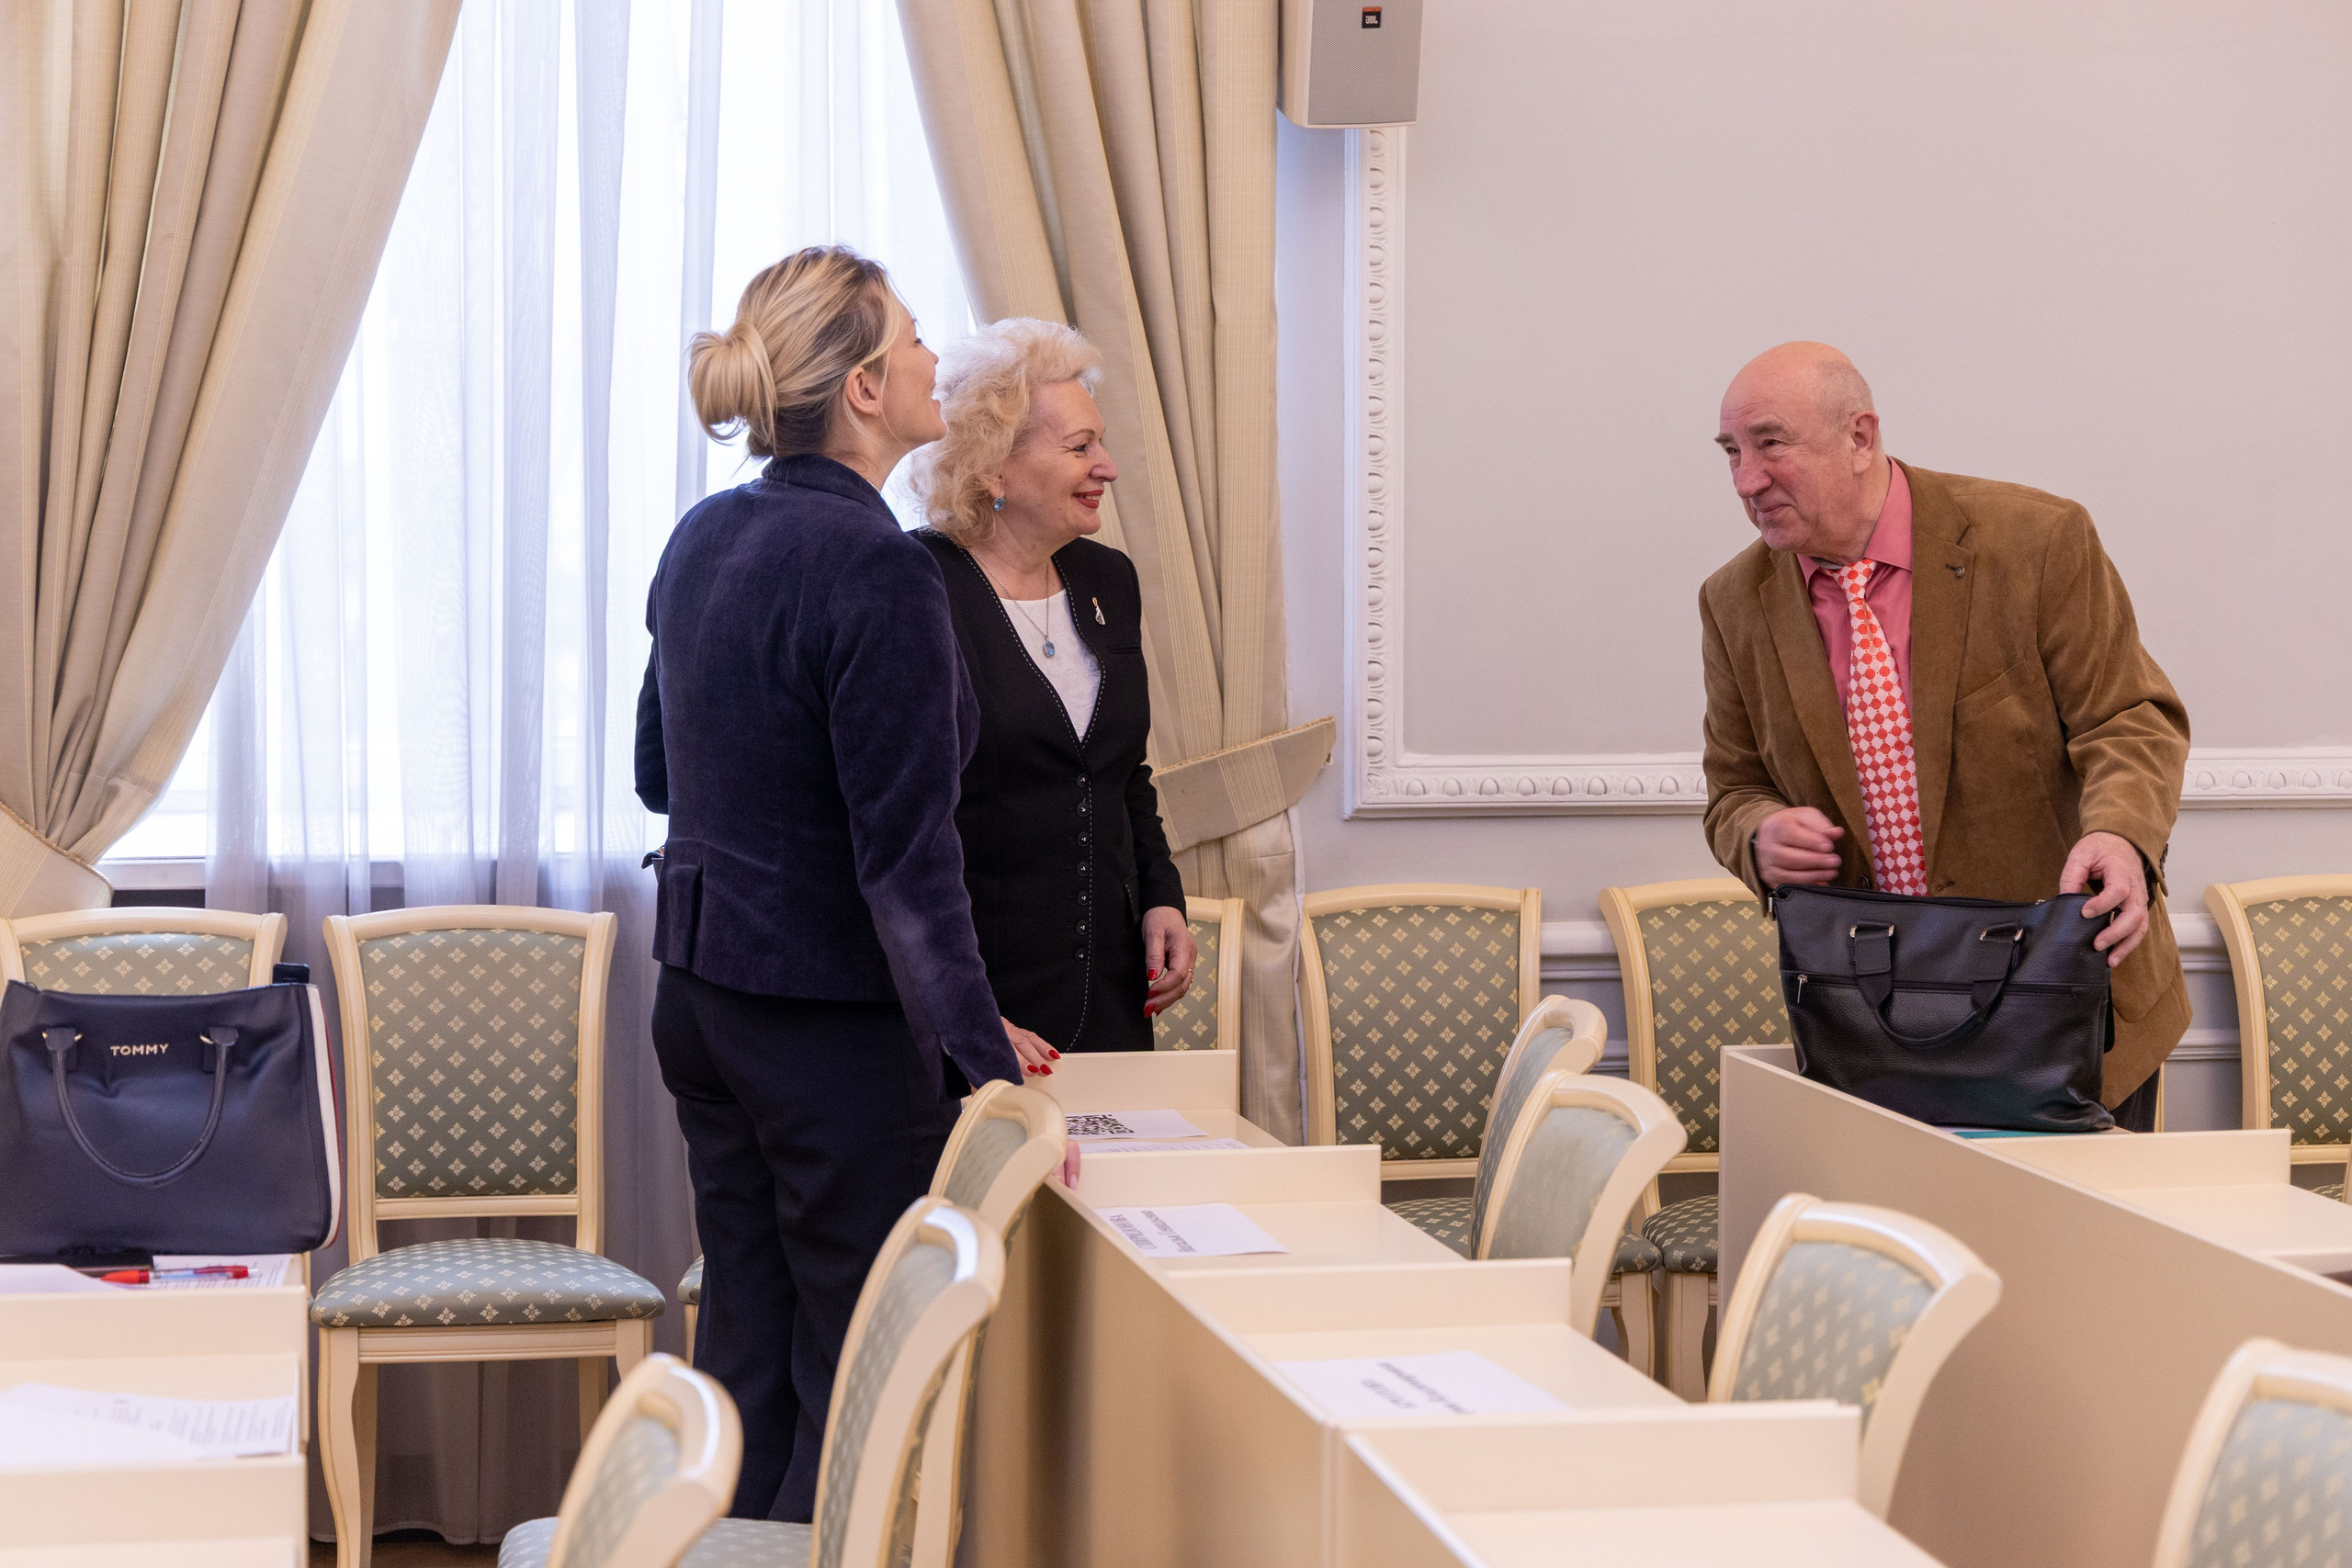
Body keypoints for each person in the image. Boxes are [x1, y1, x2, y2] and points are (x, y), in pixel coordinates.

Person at [633, 246, 1022, 1524]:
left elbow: (654, 770)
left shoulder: (705, 535)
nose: (930, 359)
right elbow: (908, 866)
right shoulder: (882, 570)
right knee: (858, 1358)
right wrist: (989, 1064)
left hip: (699, 997)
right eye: (912, 340)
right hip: (823, 1024)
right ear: (864, 386)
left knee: (746, 1348)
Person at [1699, 341, 2190, 1130]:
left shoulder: (2036, 540)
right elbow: (1734, 788)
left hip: (2066, 1003)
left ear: (1861, 437)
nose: (1746, 480)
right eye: (1732, 453)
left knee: (2077, 1255)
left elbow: (2128, 716)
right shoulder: (1733, 601)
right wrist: (1756, 834)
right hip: (1882, 1031)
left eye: (1770, 444)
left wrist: (2122, 835)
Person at [906, 318, 1195, 1056]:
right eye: (1079, 447)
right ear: (993, 468)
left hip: (1112, 991)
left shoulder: (1109, 579)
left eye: (1099, 441)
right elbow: (903, 827)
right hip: (983, 999)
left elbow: (1122, 771)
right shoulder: (914, 587)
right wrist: (963, 1013)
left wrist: (1162, 894)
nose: (1108, 466)